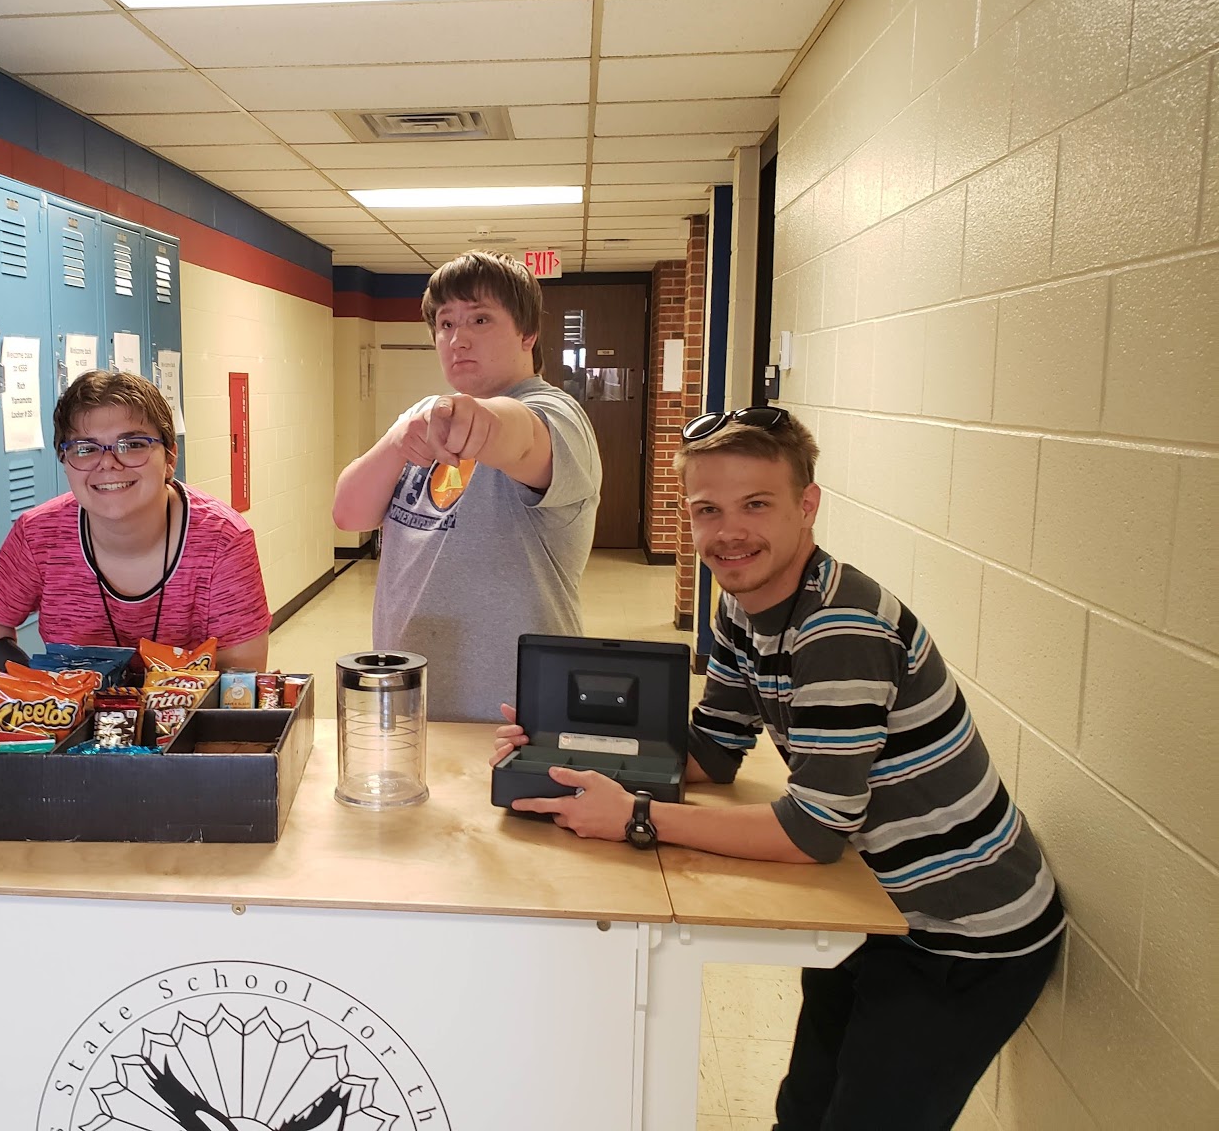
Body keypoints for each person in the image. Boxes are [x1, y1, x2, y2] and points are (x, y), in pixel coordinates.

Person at [494, 406, 1064, 1130]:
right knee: (802, 1109)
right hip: (875, 906)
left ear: (808, 505)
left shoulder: (839, 628)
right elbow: (712, 753)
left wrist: (637, 817)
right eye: (708, 510)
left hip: (963, 933)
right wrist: (564, 750)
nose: (729, 533)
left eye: (756, 505)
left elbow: (814, 831)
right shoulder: (742, 606)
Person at [332, 251, 601, 722]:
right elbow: (348, 515)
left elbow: (518, 439)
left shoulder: (558, 415)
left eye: (480, 319)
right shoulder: (423, 417)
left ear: (527, 333)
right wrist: (397, 440)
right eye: (445, 324)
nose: (458, 339)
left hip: (514, 713)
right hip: (410, 696)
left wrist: (477, 416)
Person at [0, 370, 270, 674]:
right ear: (65, 462)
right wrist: (40, 692)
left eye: (133, 444)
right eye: (85, 449)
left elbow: (242, 676)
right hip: (75, 719)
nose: (108, 463)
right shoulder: (38, 534)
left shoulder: (223, 540)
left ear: (170, 457)